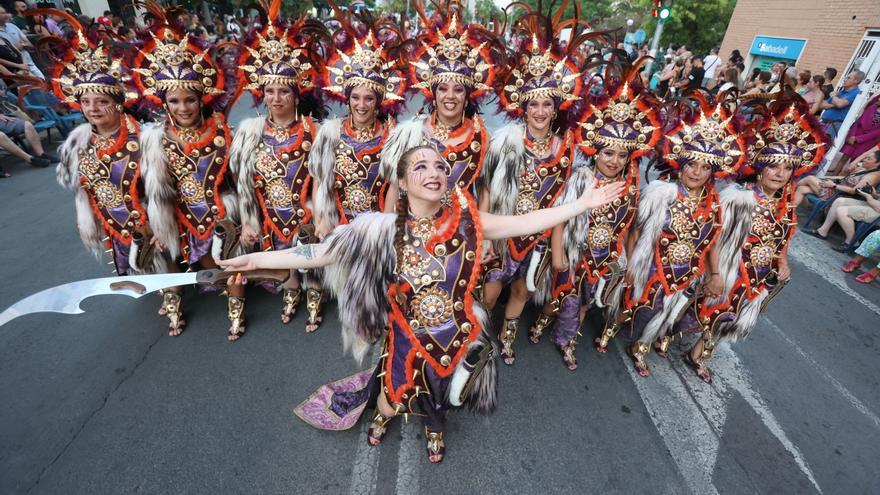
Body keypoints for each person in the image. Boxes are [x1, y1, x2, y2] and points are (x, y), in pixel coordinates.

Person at [219, 144, 624, 463]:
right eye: (421, 167)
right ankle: (382, 413)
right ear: (401, 182)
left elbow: (524, 223)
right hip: (407, 339)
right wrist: (253, 260)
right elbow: (316, 254)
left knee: (445, 397)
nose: (434, 173)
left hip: (459, 336)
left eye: (439, 166)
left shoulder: (468, 221)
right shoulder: (377, 231)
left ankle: (434, 425)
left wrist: (580, 206)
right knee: (393, 398)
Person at [679, 97, 829, 382]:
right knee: (698, 310)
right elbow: (712, 236)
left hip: (758, 274)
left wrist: (782, 261)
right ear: (761, 167)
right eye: (774, 167)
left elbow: (782, 238)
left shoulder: (786, 206)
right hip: (727, 268)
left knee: (731, 316)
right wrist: (715, 272)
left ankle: (698, 354)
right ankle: (667, 334)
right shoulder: (738, 198)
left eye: (787, 169)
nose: (780, 174)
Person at [606, 93, 748, 377]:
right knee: (632, 305)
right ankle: (610, 326)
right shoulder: (660, 193)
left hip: (683, 272)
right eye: (692, 164)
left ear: (713, 171)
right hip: (650, 266)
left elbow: (710, 243)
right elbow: (634, 231)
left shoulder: (713, 205)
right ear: (680, 164)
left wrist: (716, 275)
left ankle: (642, 346)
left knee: (663, 313)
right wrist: (632, 265)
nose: (697, 172)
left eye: (705, 167)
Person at [532, 64, 663, 369]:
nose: (614, 161)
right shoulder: (579, 178)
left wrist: (629, 262)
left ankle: (568, 340)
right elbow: (559, 217)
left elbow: (630, 230)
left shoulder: (630, 190)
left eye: (621, 155)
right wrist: (557, 253)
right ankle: (543, 321)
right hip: (573, 254)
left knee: (584, 304)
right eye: (608, 153)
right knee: (560, 296)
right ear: (595, 152)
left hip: (604, 260)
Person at [480, 9, 585, 366]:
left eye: (547, 104)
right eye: (534, 103)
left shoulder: (565, 149)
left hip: (538, 238)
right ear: (523, 107)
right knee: (490, 292)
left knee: (523, 290)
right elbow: (487, 192)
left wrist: (557, 249)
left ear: (556, 108)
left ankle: (507, 337)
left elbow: (561, 204)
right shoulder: (503, 142)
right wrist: (486, 235)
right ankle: (476, 335)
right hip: (503, 231)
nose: (540, 110)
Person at [132, 12, 244, 340]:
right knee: (163, 249)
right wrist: (153, 222)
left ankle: (236, 308)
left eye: (190, 99)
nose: (183, 107)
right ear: (164, 103)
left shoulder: (222, 132)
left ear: (201, 98)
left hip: (217, 214)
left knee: (222, 267)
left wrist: (238, 218)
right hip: (178, 215)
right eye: (174, 101)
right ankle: (172, 298)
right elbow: (146, 188)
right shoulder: (155, 139)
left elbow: (236, 180)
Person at [230, 5, 329, 332]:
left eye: (283, 90)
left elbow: (323, 177)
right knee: (281, 253)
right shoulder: (249, 132)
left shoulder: (314, 131)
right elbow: (244, 182)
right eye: (270, 91)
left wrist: (321, 211)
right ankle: (290, 290)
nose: (276, 98)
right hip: (271, 209)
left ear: (296, 93)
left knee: (308, 254)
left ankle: (314, 292)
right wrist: (247, 218)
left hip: (305, 210)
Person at [48, 12, 165, 284]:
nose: (93, 109)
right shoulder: (77, 143)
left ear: (118, 102)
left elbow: (161, 192)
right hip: (113, 221)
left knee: (166, 273)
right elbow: (75, 184)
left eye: (100, 101)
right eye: (86, 102)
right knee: (136, 270)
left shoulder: (147, 138)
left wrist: (159, 223)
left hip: (150, 220)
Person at [380, 8, 498, 209]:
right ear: (433, 94)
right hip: (415, 234)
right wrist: (388, 233)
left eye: (458, 89)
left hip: (461, 235)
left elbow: (484, 192)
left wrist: (484, 239)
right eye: (443, 89)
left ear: (467, 96)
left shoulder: (481, 136)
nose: (450, 96)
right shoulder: (411, 134)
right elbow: (395, 187)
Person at [795, 148, 880, 207]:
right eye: (866, 158)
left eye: (868, 159)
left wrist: (833, 185)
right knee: (802, 189)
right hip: (835, 190)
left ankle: (787, 190)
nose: (864, 160)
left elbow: (854, 191)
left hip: (838, 196)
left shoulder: (872, 176)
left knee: (809, 178)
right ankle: (788, 212)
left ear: (877, 164)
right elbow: (844, 178)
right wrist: (847, 172)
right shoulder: (864, 169)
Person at [835, 93, 880, 172]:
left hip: (867, 141)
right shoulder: (872, 107)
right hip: (855, 135)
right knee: (844, 158)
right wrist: (852, 135)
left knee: (855, 162)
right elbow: (858, 121)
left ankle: (843, 180)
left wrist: (858, 139)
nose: (879, 99)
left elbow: (877, 132)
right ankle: (833, 176)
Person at [818, 69, 863, 142]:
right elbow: (821, 105)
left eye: (848, 78)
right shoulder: (842, 92)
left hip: (834, 125)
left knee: (822, 147)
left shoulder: (855, 93)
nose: (845, 79)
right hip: (824, 122)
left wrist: (833, 97)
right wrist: (834, 104)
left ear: (856, 81)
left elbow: (840, 104)